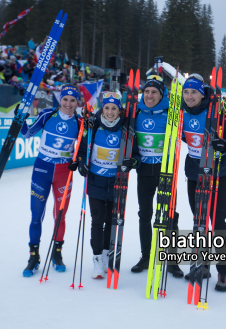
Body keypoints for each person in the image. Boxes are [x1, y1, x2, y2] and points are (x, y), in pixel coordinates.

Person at [182, 74, 226, 292]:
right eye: (186, 92)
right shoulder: (181, 113)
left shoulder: (219, 113)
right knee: (199, 221)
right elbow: (181, 137)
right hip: (193, 175)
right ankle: (202, 264)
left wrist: (222, 145)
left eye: (194, 92)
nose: (190, 96)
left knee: (217, 224)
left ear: (202, 93)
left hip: (218, 175)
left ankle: (223, 272)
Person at [75, 92, 140, 279]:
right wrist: (81, 164)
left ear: (119, 110)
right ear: (102, 109)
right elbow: (81, 150)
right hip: (96, 181)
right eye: (107, 108)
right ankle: (96, 259)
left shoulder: (126, 129)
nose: (110, 112)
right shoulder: (93, 126)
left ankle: (105, 255)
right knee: (97, 221)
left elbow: (135, 156)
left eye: (114, 108)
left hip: (116, 183)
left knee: (111, 222)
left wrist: (132, 163)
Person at [20, 86, 82, 277]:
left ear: (77, 102)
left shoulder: (80, 122)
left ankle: (57, 254)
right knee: (36, 214)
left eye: (73, 101)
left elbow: (83, 147)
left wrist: (78, 161)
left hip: (64, 172)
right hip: (42, 170)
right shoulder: (47, 115)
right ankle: (33, 256)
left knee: (60, 215)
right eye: (65, 100)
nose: (68, 104)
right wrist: (20, 120)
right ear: (60, 100)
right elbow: (27, 134)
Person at [129, 75, 183, 278]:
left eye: (154, 92)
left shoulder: (172, 113)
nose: (150, 95)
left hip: (165, 169)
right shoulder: (136, 112)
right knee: (145, 214)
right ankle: (146, 255)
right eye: (147, 91)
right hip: (144, 170)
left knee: (170, 215)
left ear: (162, 94)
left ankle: (172, 259)